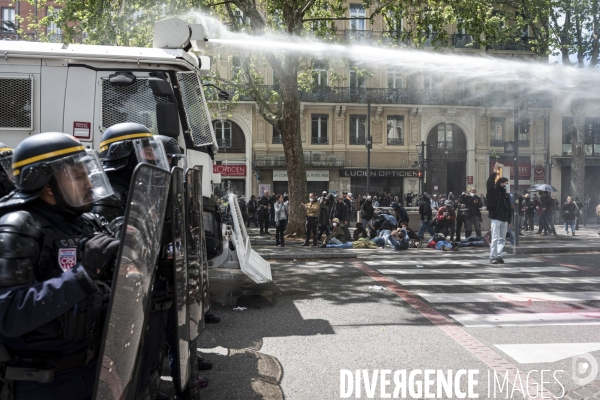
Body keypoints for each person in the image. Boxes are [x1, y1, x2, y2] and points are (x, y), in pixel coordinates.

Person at [0, 132, 118, 400]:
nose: (89, 184)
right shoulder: (18, 227)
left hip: (92, 369)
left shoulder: (85, 222)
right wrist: (83, 274)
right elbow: (7, 314)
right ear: (47, 184)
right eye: (78, 176)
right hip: (43, 382)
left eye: (87, 174)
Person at [486, 163, 512, 264]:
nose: (507, 185)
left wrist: (509, 220)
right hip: (496, 218)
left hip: (504, 219)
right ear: (501, 183)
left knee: (502, 239)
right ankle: (493, 256)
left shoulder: (506, 195)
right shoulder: (494, 192)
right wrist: (495, 172)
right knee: (495, 238)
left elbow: (508, 208)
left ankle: (499, 255)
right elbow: (489, 183)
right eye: (506, 183)